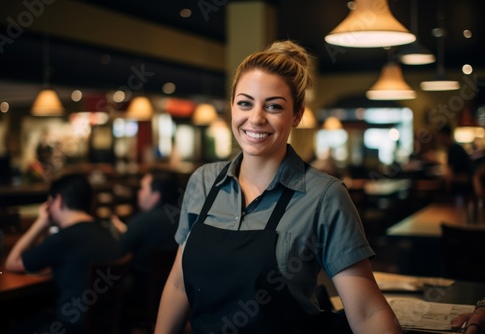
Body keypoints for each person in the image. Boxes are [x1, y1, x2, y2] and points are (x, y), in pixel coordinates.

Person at [154, 40, 402, 333]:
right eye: (245, 103)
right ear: (232, 107)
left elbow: (368, 312)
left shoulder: (324, 196)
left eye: (273, 106)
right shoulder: (203, 181)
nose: (256, 118)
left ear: (296, 115)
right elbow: (179, 283)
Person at [5, 173, 121, 333]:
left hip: (69, 327)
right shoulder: (106, 233)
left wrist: (40, 223)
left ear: (57, 201)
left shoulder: (63, 239)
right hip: (104, 325)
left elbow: (12, 263)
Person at [111, 170, 180, 332]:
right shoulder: (186, 217)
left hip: (141, 295)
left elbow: (117, 253)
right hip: (178, 298)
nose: (139, 193)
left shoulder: (143, 221)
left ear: (156, 195)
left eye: (142, 188)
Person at [436, 124, 473, 201]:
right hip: (464, 186)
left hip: (462, 188)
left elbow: (450, 175)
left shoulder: (454, 150)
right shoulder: (455, 148)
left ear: (444, 135)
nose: (438, 139)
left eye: (439, 136)